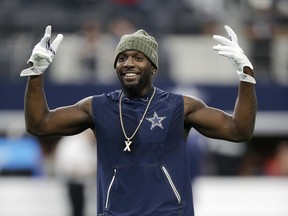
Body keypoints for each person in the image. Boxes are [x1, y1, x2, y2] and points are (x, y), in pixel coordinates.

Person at [20, 25, 257, 216]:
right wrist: (36, 73)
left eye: (138, 57)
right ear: (115, 65)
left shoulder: (180, 106)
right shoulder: (97, 107)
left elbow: (238, 130)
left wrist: (246, 75)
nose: (129, 63)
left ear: (153, 66)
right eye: (122, 58)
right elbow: (39, 124)